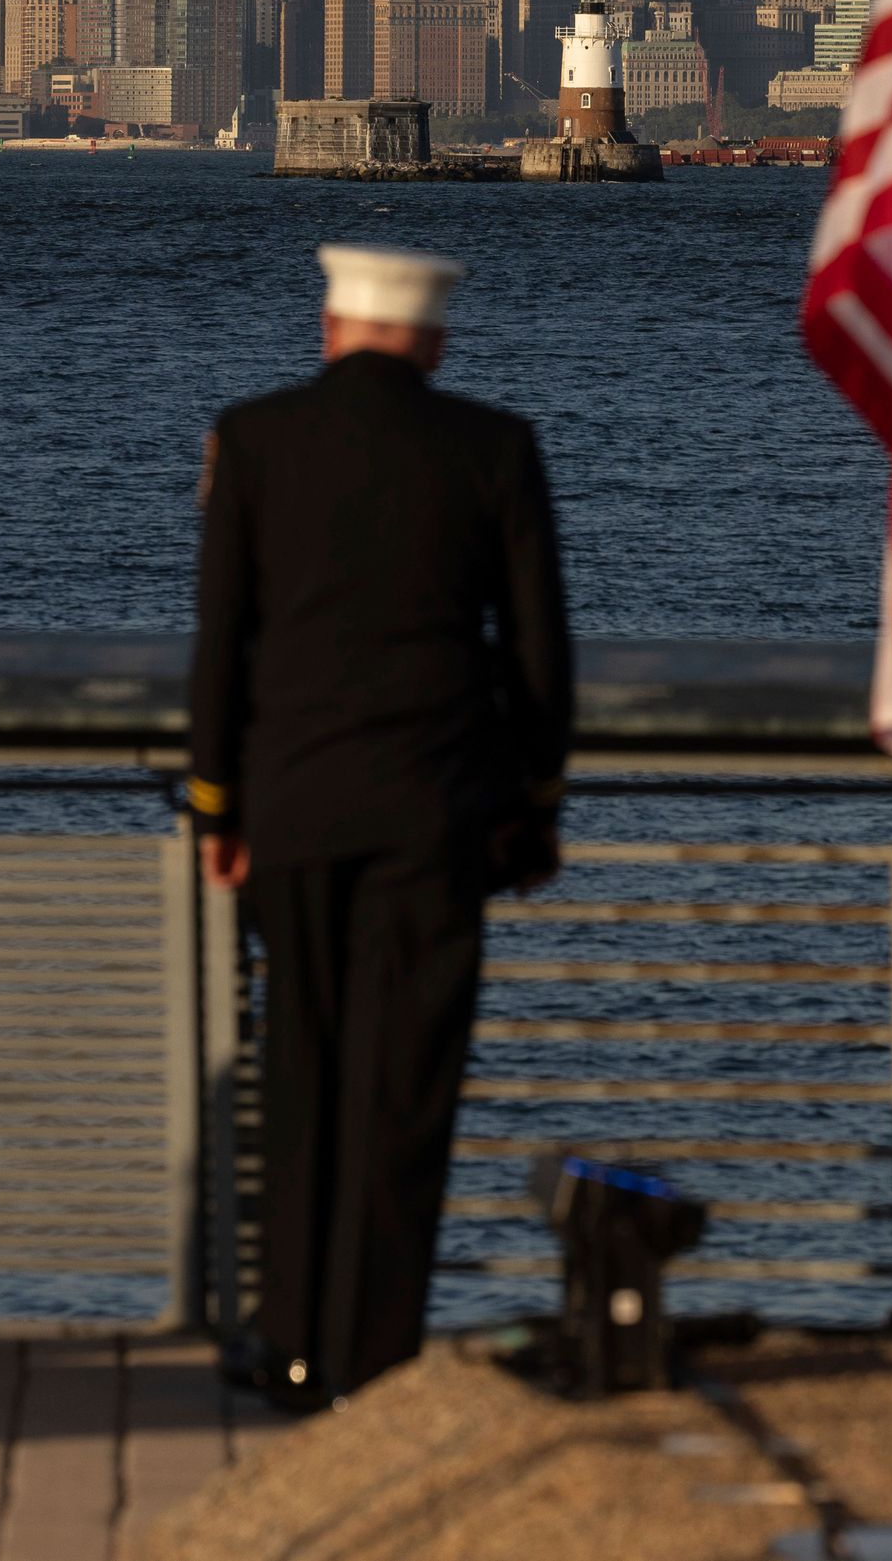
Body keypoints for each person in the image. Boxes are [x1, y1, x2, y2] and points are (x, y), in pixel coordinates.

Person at [188, 244, 574, 1411]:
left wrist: (219, 804)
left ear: (331, 328)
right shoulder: (495, 448)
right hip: (436, 815)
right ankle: (378, 1348)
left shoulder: (253, 440)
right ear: (435, 340)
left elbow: (221, 648)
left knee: (301, 1071)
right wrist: (534, 805)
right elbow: (543, 658)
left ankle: (291, 1339)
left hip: (293, 815)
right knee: (403, 1091)